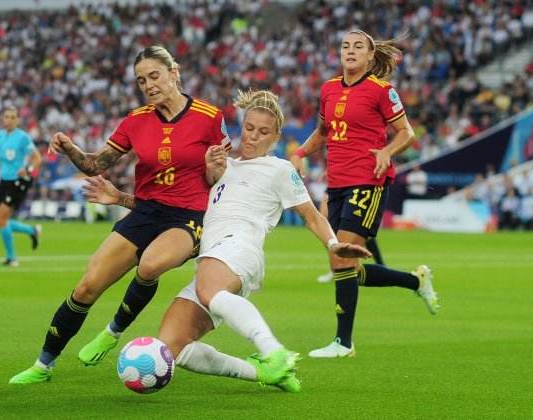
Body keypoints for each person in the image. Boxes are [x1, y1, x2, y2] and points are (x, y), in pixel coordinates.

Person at [82, 90, 372, 392]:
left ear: (275, 137)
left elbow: (312, 216)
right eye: (249, 128)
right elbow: (169, 211)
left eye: (263, 132)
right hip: (212, 258)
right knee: (173, 345)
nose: (253, 137)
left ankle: (273, 351)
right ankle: (263, 374)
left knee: (208, 290)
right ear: (240, 126)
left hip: (239, 248)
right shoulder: (220, 167)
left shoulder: (280, 170)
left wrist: (332, 244)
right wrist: (119, 198)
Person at [9, 45, 230, 384]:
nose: (149, 85)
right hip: (144, 211)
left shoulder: (209, 116)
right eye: (142, 81)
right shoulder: (136, 120)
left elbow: (220, 178)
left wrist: (216, 171)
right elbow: (95, 164)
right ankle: (43, 365)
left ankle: (112, 332)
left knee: (151, 264)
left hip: (188, 216)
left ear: (174, 73)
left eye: (154, 76)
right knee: (86, 286)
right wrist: (70, 148)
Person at [290, 29, 440, 359]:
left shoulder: (381, 91)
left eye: (359, 46)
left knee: (341, 258)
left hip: (368, 181)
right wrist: (300, 153)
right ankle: (416, 282)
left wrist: (387, 151)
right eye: (345, 45)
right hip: (338, 183)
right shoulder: (328, 89)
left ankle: (343, 343)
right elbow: (322, 133)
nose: (350, 50)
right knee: (343, 265)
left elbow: (407, 133)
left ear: (371, 56)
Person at [0, 107, 42, 267]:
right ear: (2, 119)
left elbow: (37, 158)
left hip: (17, 181)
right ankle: (32, 231)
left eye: (13, 117)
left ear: (17, 120)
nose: (9, 120)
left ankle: (12, 258)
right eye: (6, 117)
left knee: (2, 219)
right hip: (4, 180)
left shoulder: (22, 137)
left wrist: (27, 169)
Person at [316, 193, 384, 283]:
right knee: (329, 228)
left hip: (356, 188)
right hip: (336, 186)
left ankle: (380, 265)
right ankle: (335, 269)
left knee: (361, 230)